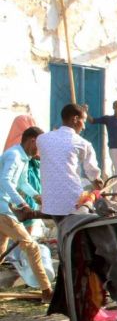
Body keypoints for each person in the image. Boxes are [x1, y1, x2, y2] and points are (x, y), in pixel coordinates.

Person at [0, 126, 52, 300]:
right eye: (40, 145)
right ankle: (47, 291)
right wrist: (22, 204)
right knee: (32, 247)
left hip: (5, 208)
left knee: (1, 251)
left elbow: (21, 182)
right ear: (32, 141)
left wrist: (36, 196)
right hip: (3, 209)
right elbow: (5, 181)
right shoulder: (14, 156)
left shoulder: (22, 158)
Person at [36, 103, 101, 222]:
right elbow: (93, 175)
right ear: (75, 119)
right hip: (73, 202)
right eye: (84, 121)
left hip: (50, 203)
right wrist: (99, 187)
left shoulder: (41, 139)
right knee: (92, 196)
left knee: (63, 229)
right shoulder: (83, 144)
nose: (84, 127)